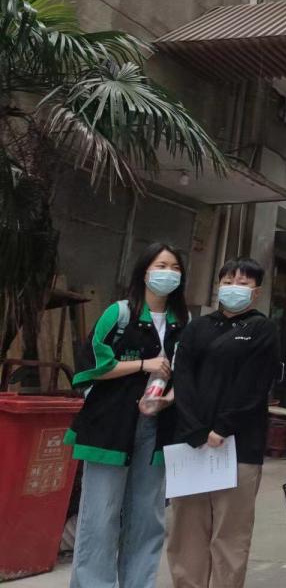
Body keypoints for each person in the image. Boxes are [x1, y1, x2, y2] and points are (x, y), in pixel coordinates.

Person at [66, 242, 187, 588]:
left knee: (148, 517)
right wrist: (144, 364)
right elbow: (92, 364)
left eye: (175, 268)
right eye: (161, 265)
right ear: (144, 271)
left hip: (157, 426)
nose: (168, 273)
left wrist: (169, 399)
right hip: (110, 425)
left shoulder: (183, 323)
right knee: (101, 513)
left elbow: (189, 374)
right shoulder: (119, 314)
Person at [167, 257, 281, 588]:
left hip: (238, 446)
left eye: (243, 283)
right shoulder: (197, 327)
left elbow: (255, 385)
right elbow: (183, 378)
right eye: (228, 282)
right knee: (186, 533)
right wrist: (195, 429)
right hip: (191, 444)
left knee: (230, 535)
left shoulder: (262, 329)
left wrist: (222, 428)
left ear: (256, 292)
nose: (234, 288)